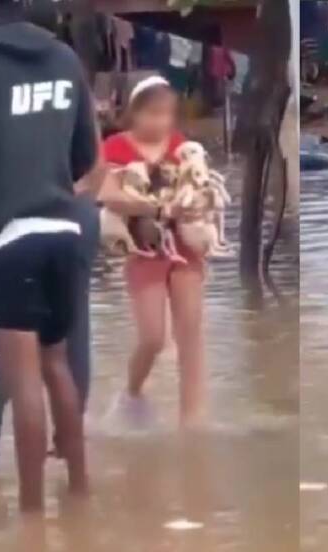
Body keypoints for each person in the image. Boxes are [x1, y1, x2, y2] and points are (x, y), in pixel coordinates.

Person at [0, 0, 96, 512]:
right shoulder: (65, 60)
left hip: (9, 237)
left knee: (21, 375)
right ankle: (78, 492)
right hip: (65, 230)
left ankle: (32, 513)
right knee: (57, 365)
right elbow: (86, 158)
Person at [98, 76, 207, 429]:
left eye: (167, 114)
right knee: (152, 337)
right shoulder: (115, 147)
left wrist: (191, 207)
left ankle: (192, 422)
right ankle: (132, 393)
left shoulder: (180, 146)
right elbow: (108, 194)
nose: (161, 122)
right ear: (133, 112)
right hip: (143, 249)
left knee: (189, 333)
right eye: (153, 113)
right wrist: (154, 210)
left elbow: (198, 187)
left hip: (184, 248)